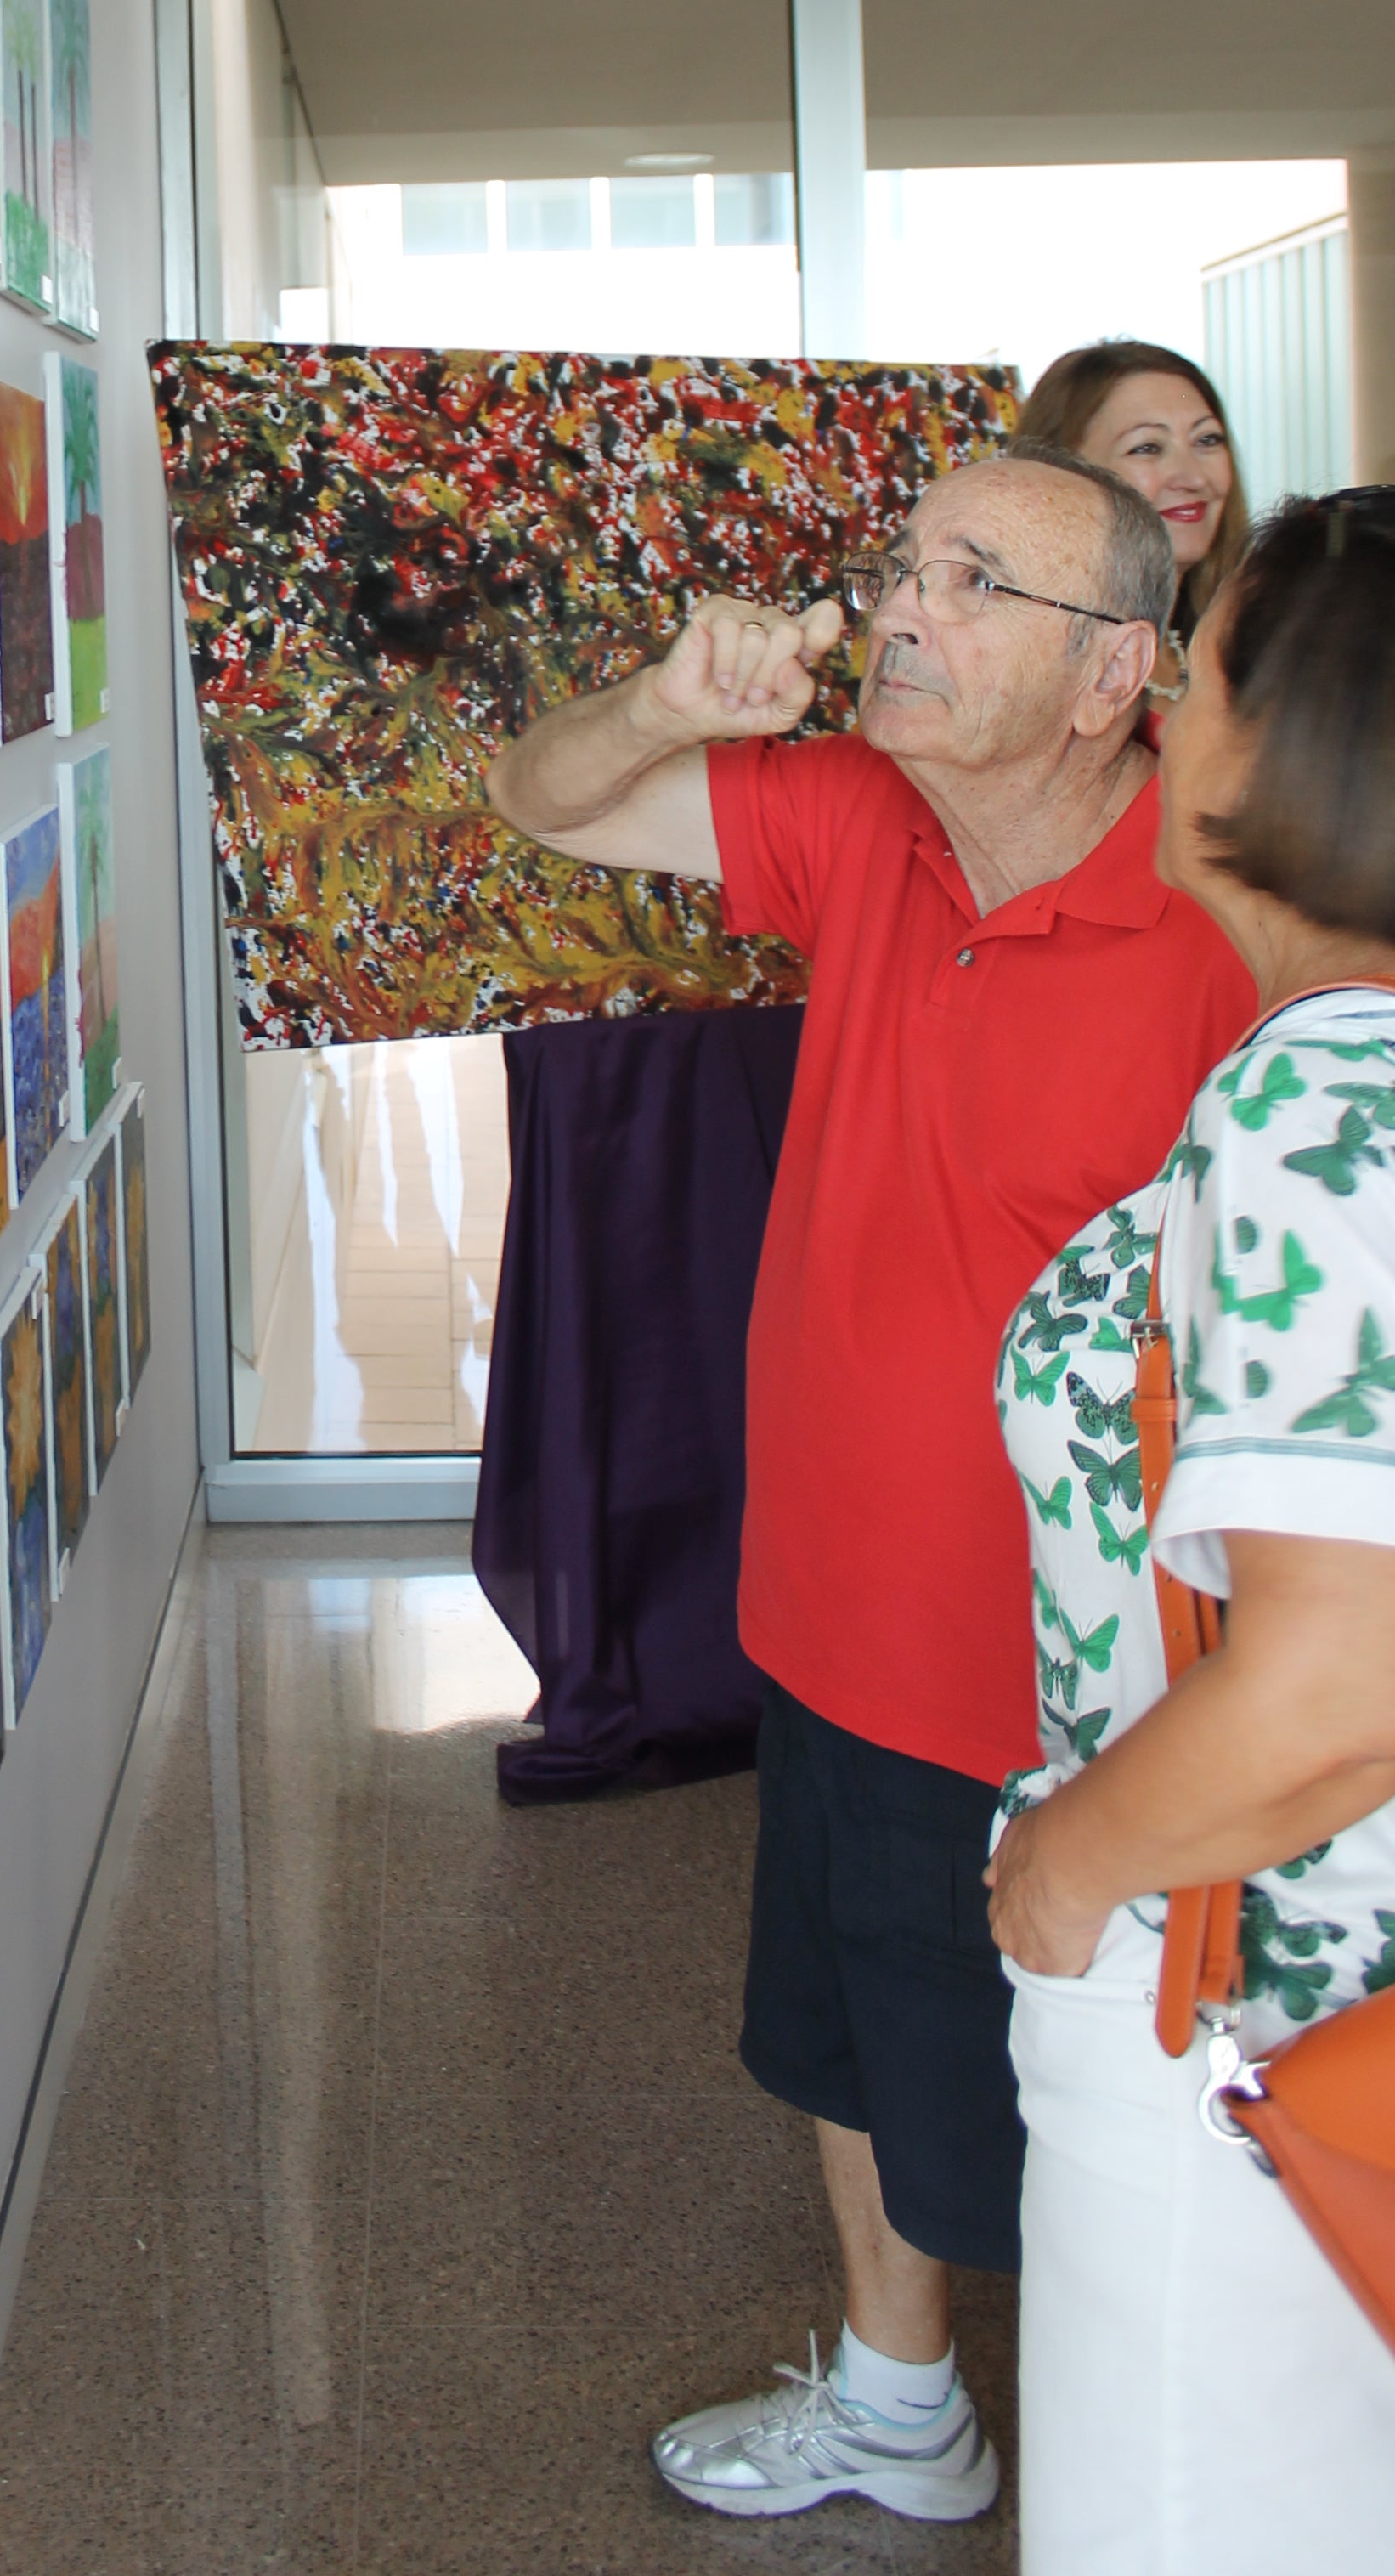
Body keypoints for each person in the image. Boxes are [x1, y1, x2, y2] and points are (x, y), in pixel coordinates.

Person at [486, 446, 1254, 2524]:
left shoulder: (1223, 910)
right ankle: (899, 2407)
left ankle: (1172, 2487)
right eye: (900, 563)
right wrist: (659, 704)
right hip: (827, 1616)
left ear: (1111, 672)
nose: (896, 608)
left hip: (1092, 1690)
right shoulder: (852, 824)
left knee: (1115, 2129)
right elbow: (529, 798)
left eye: (965, 580)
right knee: (836, 2044)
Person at [988, 490, 1395, 2563]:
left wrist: (1058, 1874)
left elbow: (1338, 1680)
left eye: (1198, 660)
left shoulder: (1320, 1096)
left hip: (1253, 2009)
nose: (1156, 698)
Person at [1017, 340, 1247, 641]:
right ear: (1063, 473)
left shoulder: (1237, 645)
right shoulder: (1035, 662)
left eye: (1207, 440)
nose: (1193, 478)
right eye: (1147, 448)